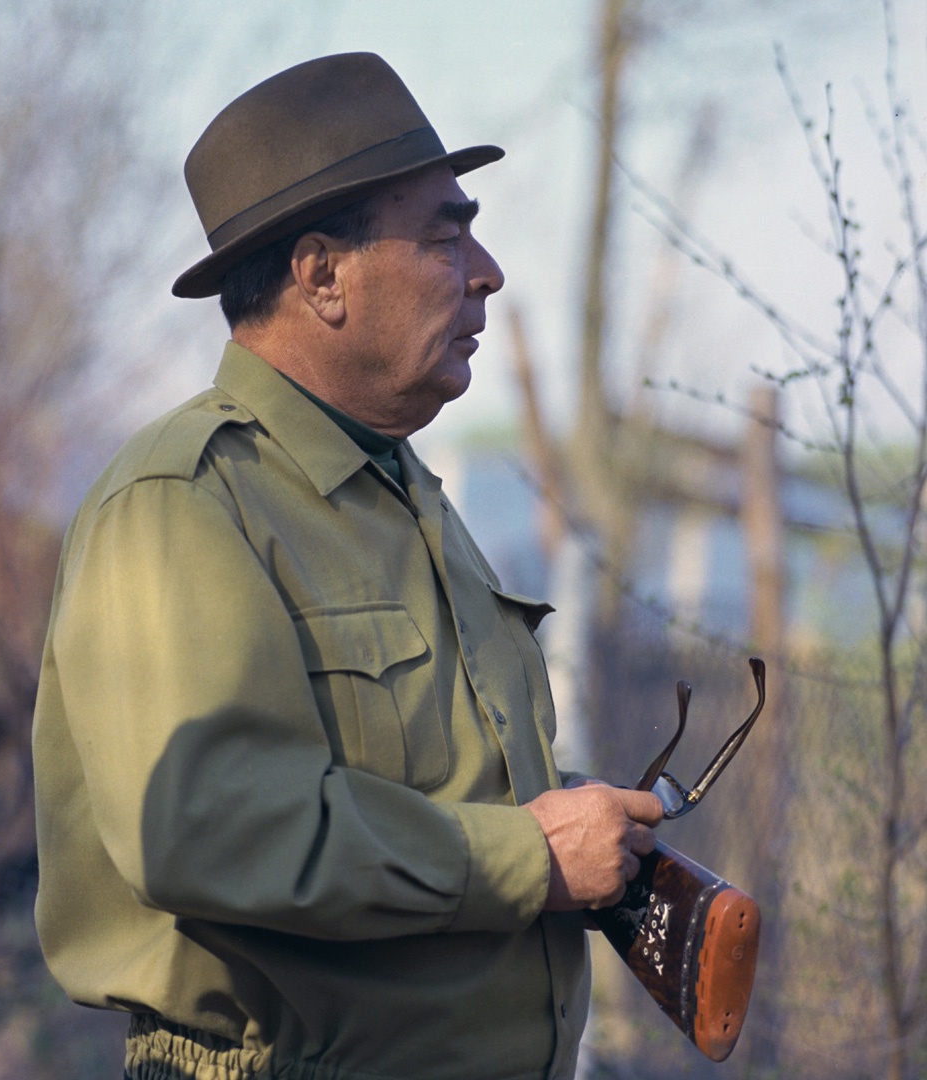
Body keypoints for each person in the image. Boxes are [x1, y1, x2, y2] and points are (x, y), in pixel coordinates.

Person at [32, 52, 662, 1080]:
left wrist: (578, 823)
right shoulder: (183, 500)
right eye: (442, 234)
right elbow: (212, 825)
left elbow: (416, 787)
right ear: (321, 274)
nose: (485, 270)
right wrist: (527, 857)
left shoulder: (402, 491)